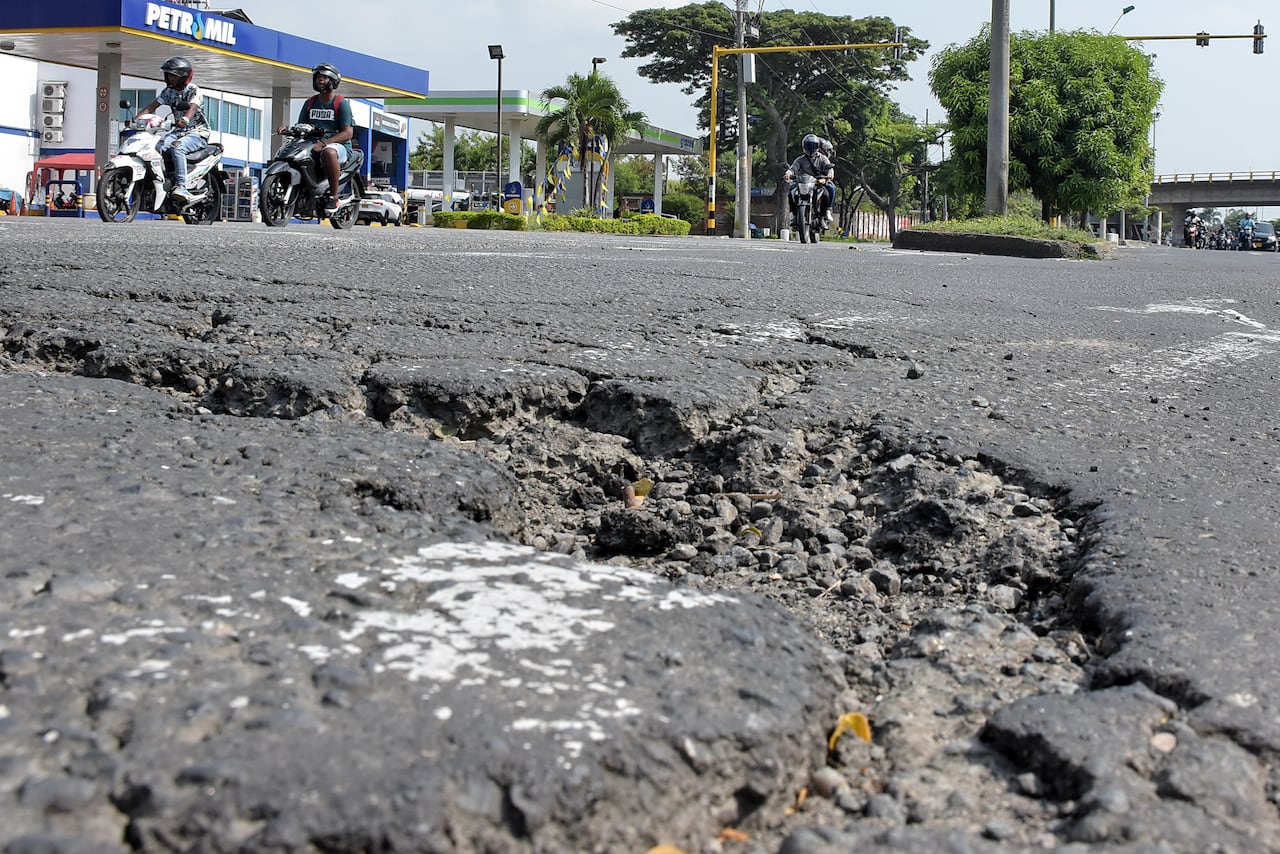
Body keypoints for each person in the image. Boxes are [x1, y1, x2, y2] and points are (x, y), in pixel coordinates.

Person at [281, 63, 353, 217]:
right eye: (318, 77)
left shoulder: (341, 103)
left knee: (328, 153)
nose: (320, 80)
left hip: (337, 146)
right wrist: (287, 128)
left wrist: (324, 143)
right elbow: (301, 125)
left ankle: (333, 197)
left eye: (324, 77)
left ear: (333, 81)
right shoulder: (310, 103)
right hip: (313, 144)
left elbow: (347, 133)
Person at [136, 57, 209, 203]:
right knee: (157, 147)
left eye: (174, 76)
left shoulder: (194, 90)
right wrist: (135, 119)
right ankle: (166, 180)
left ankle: (181, 186)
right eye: (169, 75)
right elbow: (152, 107)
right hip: (177, 132)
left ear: (184, 77)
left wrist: (185, 119)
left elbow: (192, 108)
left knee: (177, 148)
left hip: (197, 132)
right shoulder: (168, 92)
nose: (171, 79)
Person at [785, 133, 835, 230]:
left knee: (827, 192)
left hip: (818, 183)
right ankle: (794, 215)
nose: (811, 149)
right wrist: (788, 173)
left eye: (813, 146)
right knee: (791, 191)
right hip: (802, 183)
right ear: (804, 147)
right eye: (808, 146)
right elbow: (793, 168)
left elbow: (829, 168)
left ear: (817, 147)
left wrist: (830, 174)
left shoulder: (823, 158)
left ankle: (823, 215)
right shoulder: (800, 159)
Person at [819, 138, 838, 228]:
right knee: (792, 189)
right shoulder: (805, 158)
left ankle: (828, 210)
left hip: (821, 182)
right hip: (806, 182)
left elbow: (830, 170)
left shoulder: (825, 160)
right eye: (827, 150)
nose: (828, 152)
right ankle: (794, 213)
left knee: (831, 188)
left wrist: (828, 176)